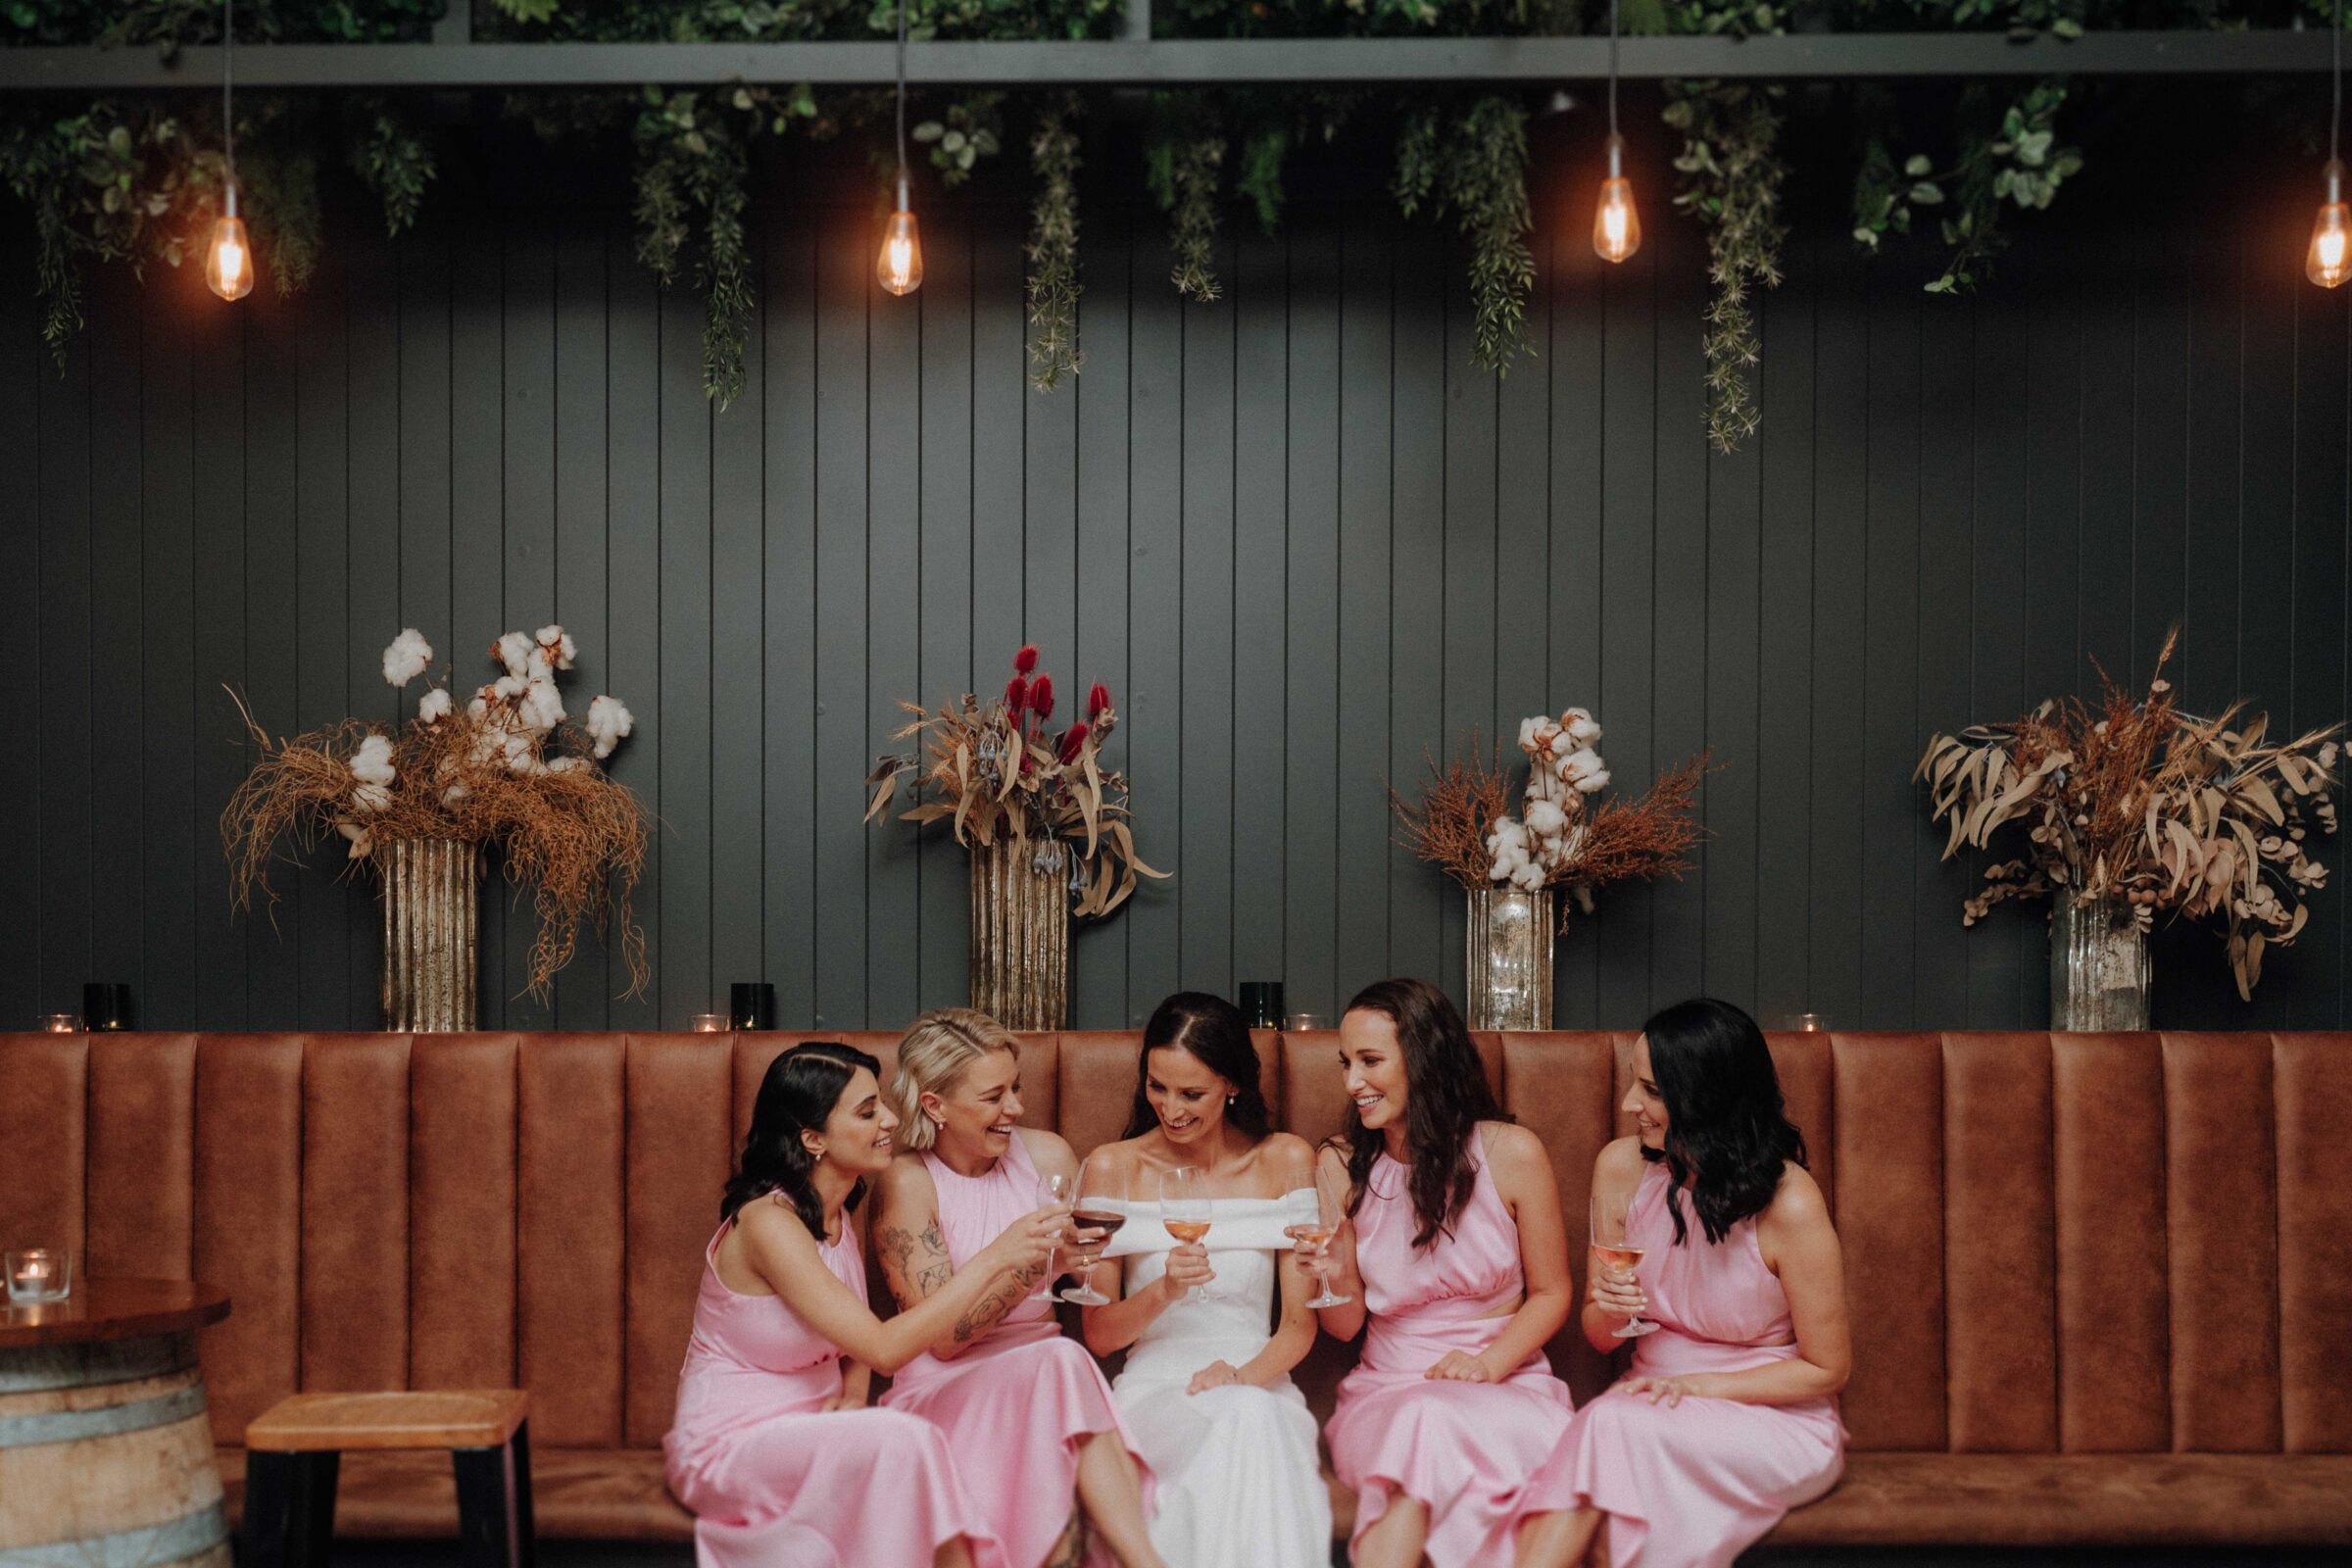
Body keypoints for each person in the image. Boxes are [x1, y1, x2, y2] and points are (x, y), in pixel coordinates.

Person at [664, 1041, 1060, 1568]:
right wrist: (996, 1258)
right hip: (729, 1445)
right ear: (813, 1139)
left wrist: (853, 1397)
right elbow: (881, 1347)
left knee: (902, 1446)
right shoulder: (768, 1224)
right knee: (905, 1441)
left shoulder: (836, 1214)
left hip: (817, 1432)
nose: (892, 1121)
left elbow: (851, 1340)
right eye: (868, 1111)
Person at [1512, 999, 1849, 1568]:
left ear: (1705, 1097)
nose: (1628, 1104)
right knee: (1611, 1436)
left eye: (1651, 1090)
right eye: (1632, 1084)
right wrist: (1614, 1311)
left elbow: (1828, 1369)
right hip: (1648, 1404)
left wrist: (1698, 1389)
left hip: (1768, 1420)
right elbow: (1600, 1336)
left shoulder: (1788, 1202)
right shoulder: (1621, 1167)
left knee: (1608, 1427)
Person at [873, 1008, 1164, 1568]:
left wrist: (1109, 1261)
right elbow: (942, 1340)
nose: (1016, 1108)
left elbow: (1095, 1279)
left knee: (1056, 1364)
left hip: (1045, 1379)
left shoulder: (1048, 1155)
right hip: (944, 1386)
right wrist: (1035, 1264)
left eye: (1016, 1087)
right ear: (935, 1105)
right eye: (992, 1097)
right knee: (1059, 1359)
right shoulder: (906, 1181)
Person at [1306, 977, 1577, 1568]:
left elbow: (1553, 1293)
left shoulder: (1511, 1151)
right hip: (1390, 1392)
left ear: (1424, 1060)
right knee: (1424, 1419)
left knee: (1435, 1435)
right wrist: (1324, 1275)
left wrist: (1486, 1365)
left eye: (1371, 1061)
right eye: (1346, 1063)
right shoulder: (1338, 1164)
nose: (1352, 1082)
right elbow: (1346, 1326)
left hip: (1508, 1385)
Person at [1069, 992, 1332, 1568]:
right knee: (1246, 1422)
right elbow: (1101, 1335)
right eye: (1157, 1087)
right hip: (1156, 1390)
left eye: (1192, 1093)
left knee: (1251, 1416)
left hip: (1260, 1377)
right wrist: (1163, 1290)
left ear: (1233, 1084)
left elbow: (1296, 1328)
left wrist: (1240, 1377)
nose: (1171, 1108)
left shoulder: (1284, 1159)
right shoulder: (1113, 1165)